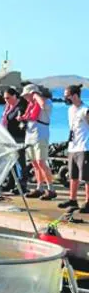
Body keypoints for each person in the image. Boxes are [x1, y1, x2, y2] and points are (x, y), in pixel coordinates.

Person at [18, 84, 56, 200]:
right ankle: (40, 187)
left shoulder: (46, 102)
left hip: (40, 136)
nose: (25, 98)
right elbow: (28, 116)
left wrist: (35, 95)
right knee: (35, 163)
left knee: (41, 162)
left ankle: (51, 188)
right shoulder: (32, 105)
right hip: (30, 136)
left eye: (27, 95)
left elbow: (43, 105)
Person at [58, 84, 89, 214]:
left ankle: (88, 202)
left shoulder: (85, 110)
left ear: (75, 96)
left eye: (67, 96)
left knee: (87, 177)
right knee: (73, 175)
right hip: (73, 146)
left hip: (84, 146)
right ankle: (72, 199)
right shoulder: (70, 109)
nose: (65, 99)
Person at [1, 87, 28, 193]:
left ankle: (22, 184)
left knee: (20, 161)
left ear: (14, 96)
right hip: (8, 136)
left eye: (8, 98)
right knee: (10, 160)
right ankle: (10, 182)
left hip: (18, 136)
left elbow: (22, 121)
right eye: (4, 98)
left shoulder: (21, 106)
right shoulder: (8, 106)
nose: (6, 100)